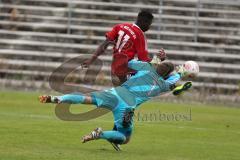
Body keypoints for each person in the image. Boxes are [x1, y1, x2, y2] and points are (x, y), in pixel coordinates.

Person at [39, 59, 193, 151]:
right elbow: (172, 83)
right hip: (126, 106)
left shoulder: (146, 67)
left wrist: (152, 62)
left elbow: (130, 62)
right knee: (125, 138)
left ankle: (57, 98)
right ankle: (100, 134)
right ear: (166, 75)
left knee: (86, 99)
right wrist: (180, 73)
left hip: (114, 93)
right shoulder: (162, 85)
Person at [82, 10, 166, 84]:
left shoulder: (119, 26)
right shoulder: (140, 35)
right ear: (145, 23)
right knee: (155, 73)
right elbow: (143, 60)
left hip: (115, 66)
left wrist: (91, 60)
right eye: (149, 24)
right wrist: (159, 59)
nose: (149, 27)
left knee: (125, 94)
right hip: (127, 67)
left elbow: (105, 44)